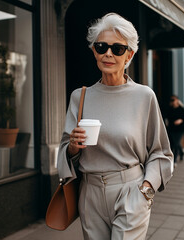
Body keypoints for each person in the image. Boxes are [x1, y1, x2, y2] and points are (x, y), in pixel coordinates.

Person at [57, 13, 173, 240]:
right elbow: (64, 153)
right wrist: (72, 146)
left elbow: (161, 152)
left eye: (117, 49)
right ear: (94, 51)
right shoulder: (79, 97)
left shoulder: (144, 96)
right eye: (101, 47)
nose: (108, 53)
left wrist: (146, 191)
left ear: (129, 54)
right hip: (89, 194)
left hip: (130, 191)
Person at [165, 95, 184, 165]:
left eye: (173, 100)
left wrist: (180, 121)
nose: (172, 102)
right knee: (175, 143)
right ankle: (181, 153)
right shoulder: (170, 109)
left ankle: (174, 161)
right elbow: (167, 118)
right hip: (172, 129)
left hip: (180, 129)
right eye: (171, 100)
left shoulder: (181, 109)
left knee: (176, 144)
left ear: (177, 100)